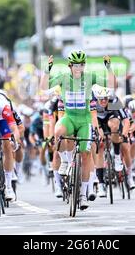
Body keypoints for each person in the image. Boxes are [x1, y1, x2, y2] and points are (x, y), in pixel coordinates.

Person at [40, 50, 117, 210]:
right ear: (70, 65)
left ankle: (82, 196)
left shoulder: (90, 77)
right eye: (75, 65)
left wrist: (109, 69)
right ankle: (65, 160)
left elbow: (112, 86)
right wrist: (46, 70)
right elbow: (43, 87)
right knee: (58, 132)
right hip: (69, 117)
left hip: (85, 120)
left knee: (86, 154)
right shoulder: (63, 77)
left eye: (81, 65)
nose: (78, 68)